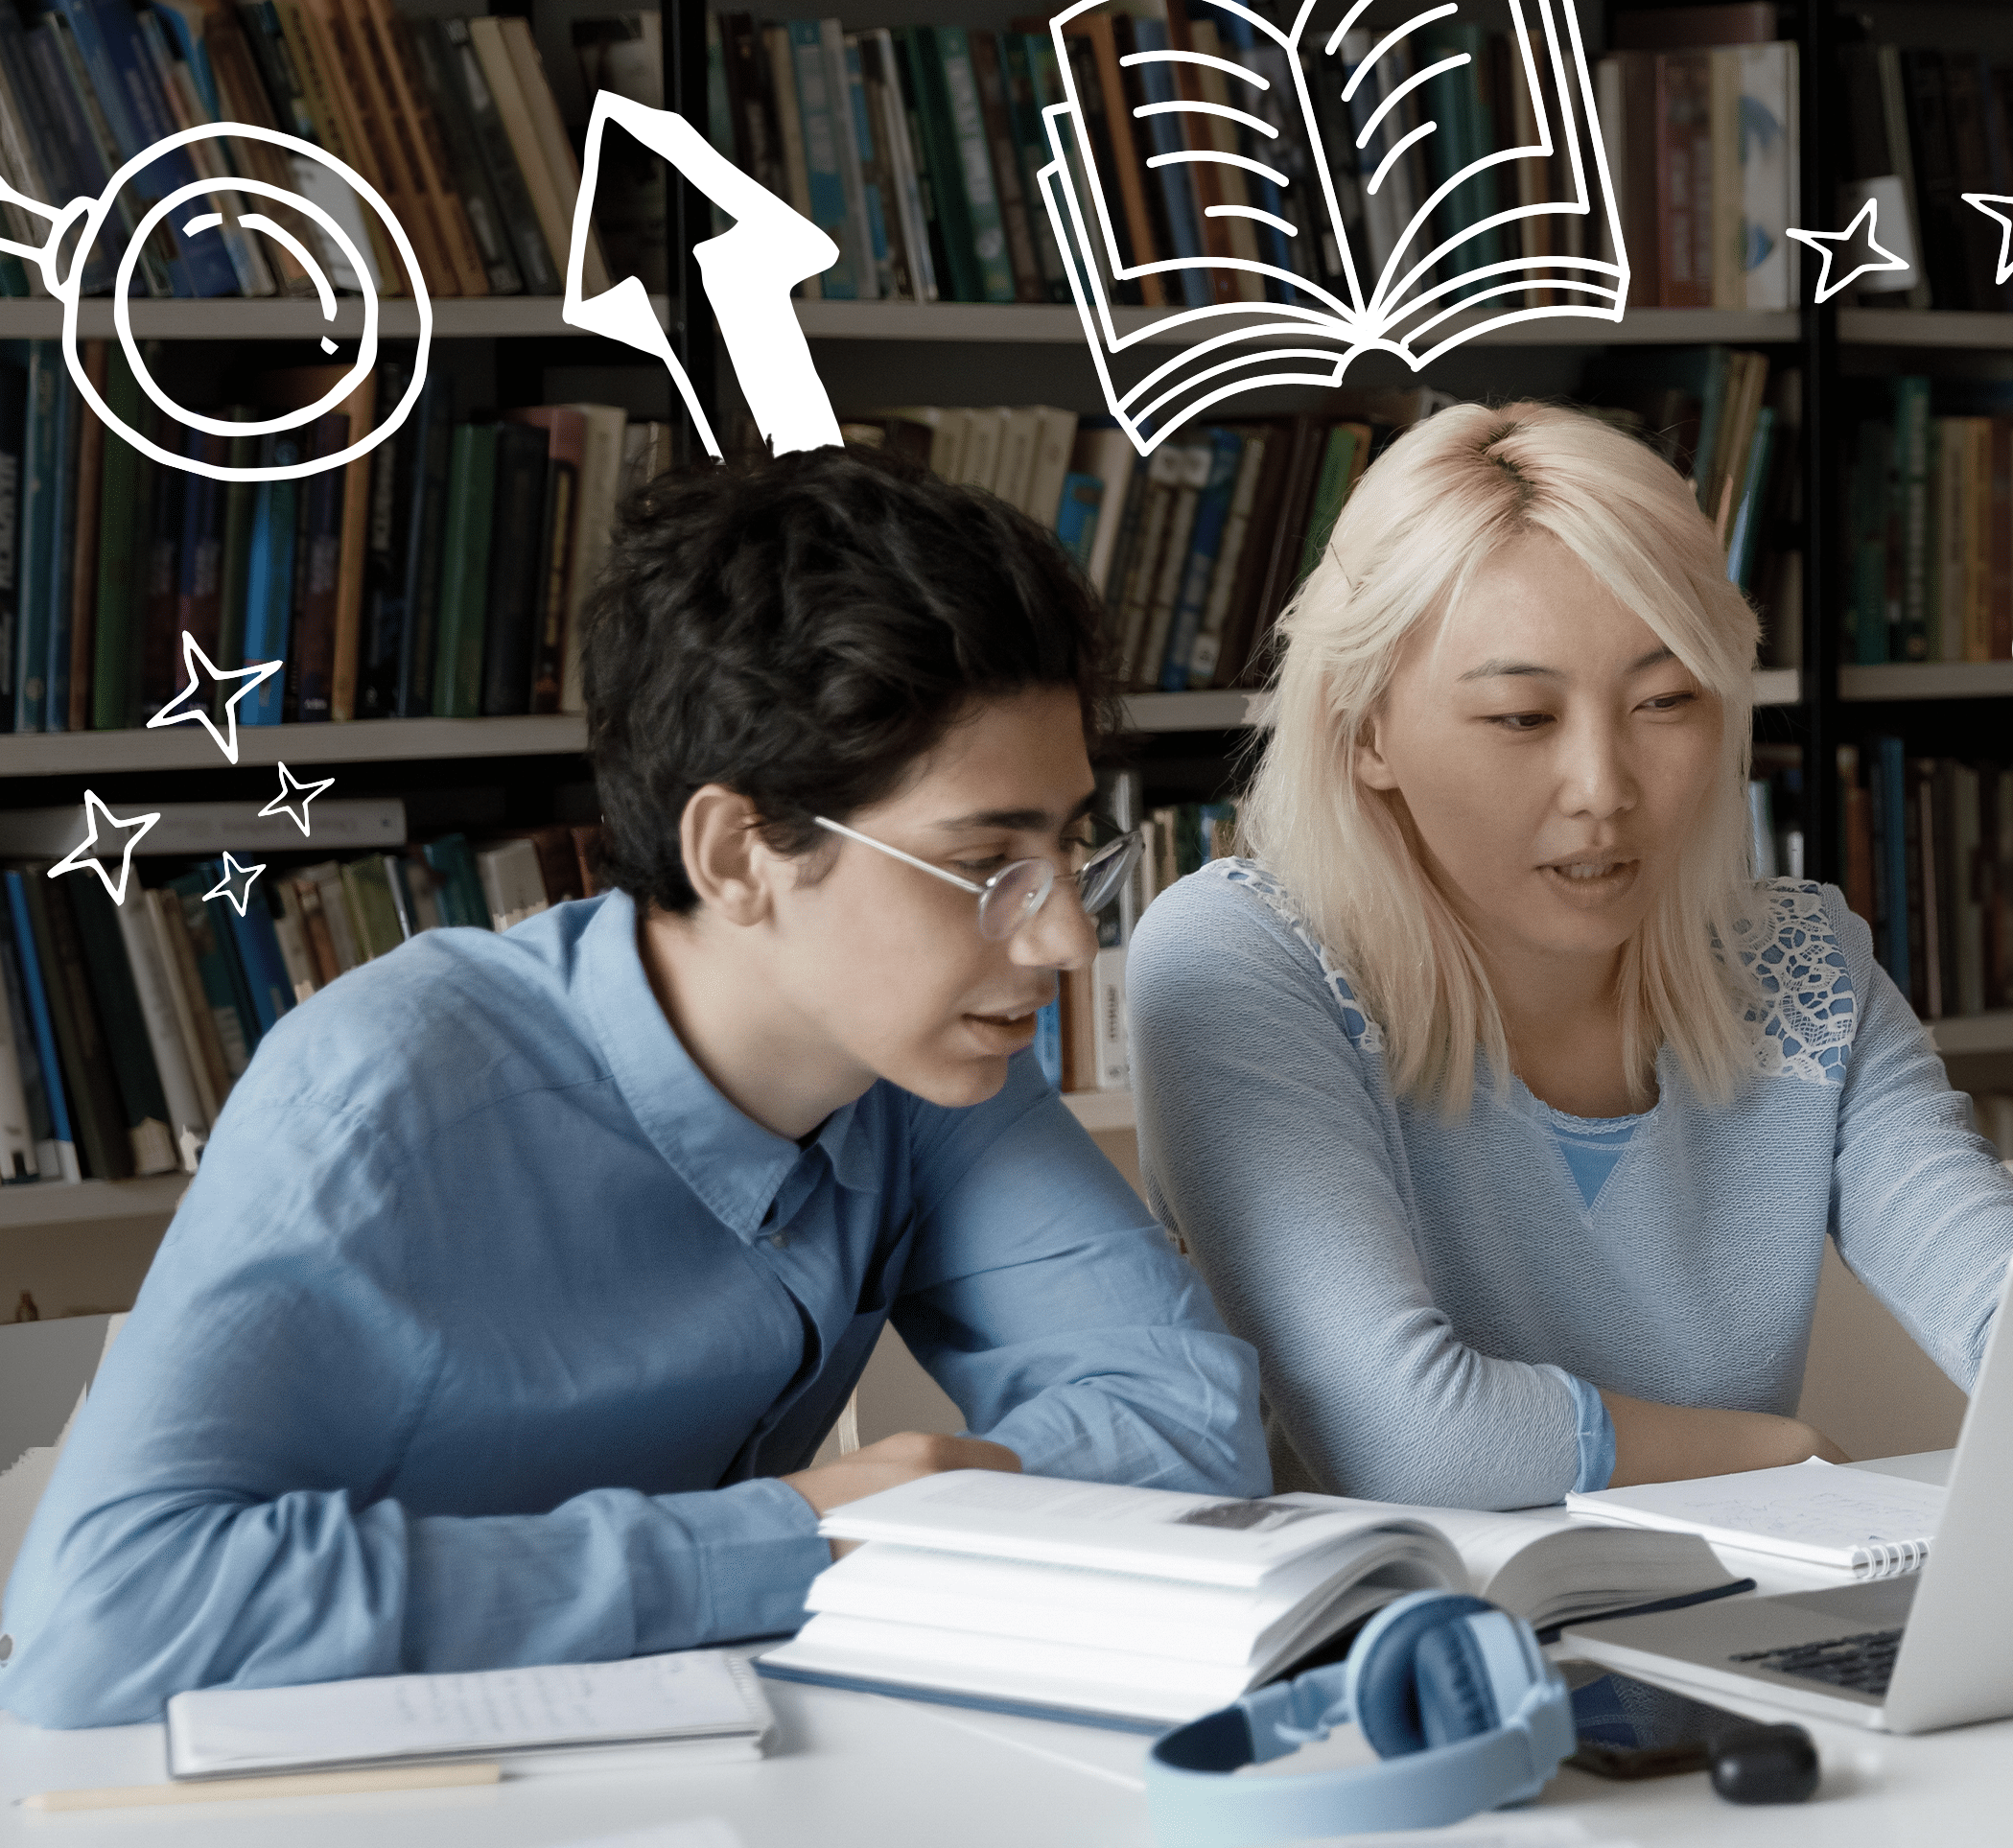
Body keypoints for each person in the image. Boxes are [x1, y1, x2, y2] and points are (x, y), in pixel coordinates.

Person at [0, 449, 1266, 1729]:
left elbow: (1190, 1424)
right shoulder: (378, 1097)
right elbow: (104, 1617)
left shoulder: (924, 1059)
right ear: (741, 852)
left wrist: (946, 1492)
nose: (1063, 942)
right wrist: (791, 1537)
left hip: (707, 1778)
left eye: (1069, 856)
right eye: (987, 862)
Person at [1131, 403, 2013, 1509]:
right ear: (1364, 728)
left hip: (1728, 1648)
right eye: (1521, 716)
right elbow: (1412, 1443)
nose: (1604, 786)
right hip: (1405, 1663)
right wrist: (1781, 1452)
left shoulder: (1804, 964)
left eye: (1665, 701)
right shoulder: (1238, 958)